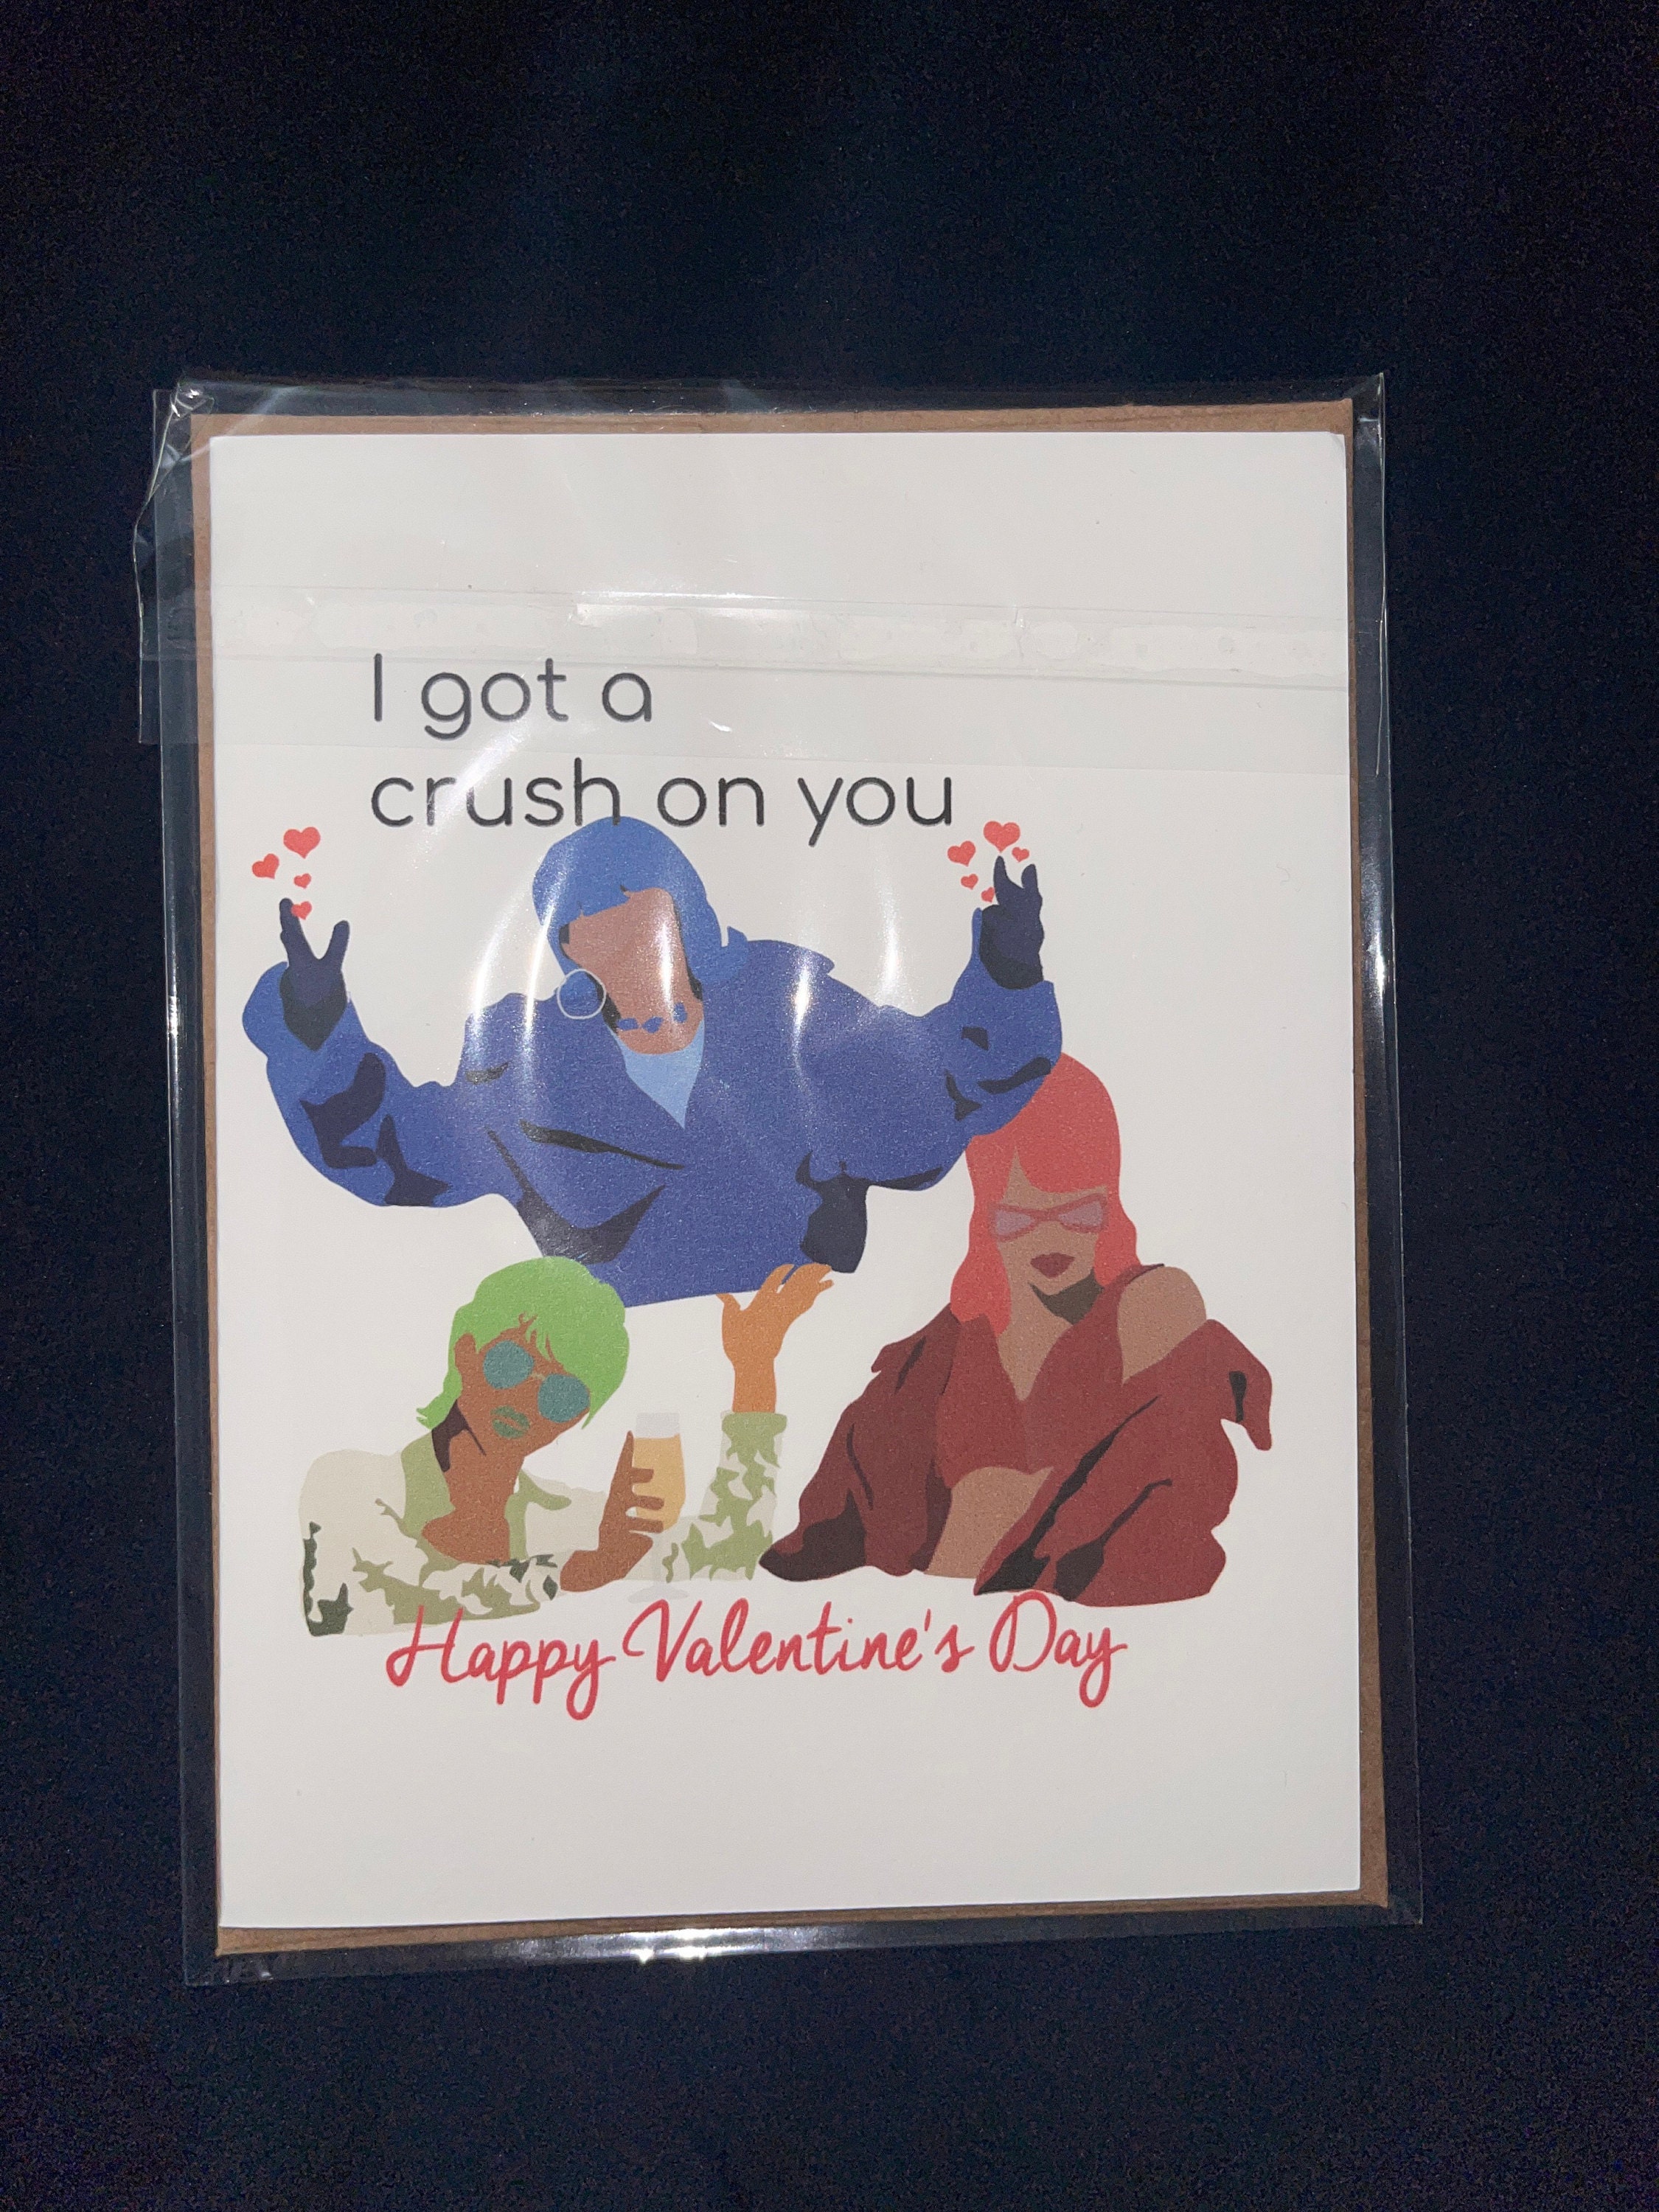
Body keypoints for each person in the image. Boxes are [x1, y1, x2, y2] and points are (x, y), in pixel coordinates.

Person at [243, 815, 1060, 1309]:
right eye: (587, 937)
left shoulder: (794, 1018)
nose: (624, 956)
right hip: (613, 1390)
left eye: (640, 926)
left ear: (689, 922)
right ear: (565, 955)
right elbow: (398, 1152)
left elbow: (938, 1091)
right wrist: (319, 1034)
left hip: (814, 1351)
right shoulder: (523, 1068)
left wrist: (1008, 975)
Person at [761, 1057, 1273, 1607]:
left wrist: (985, 1520)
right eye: (1017, 1219)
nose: (1048, 1239)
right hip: (927, 1633)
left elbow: (1163, 1510)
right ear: (986, 1219)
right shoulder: (939, 1356)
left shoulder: (1151, 1310)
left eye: (1079, 1213)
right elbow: (846, 1519)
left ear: (1111, 1205)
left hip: (1076, 1639)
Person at [300, 1255, 832, 1636]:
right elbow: (405, 1590)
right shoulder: (351, 1483)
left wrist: (754, 1372)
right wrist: (576, 1573)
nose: (526, 1399)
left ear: (577, 1416)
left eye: (561, 1395)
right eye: (511, 1363)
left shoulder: (568, 1522)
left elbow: (730, 1551)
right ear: (466, 1352)